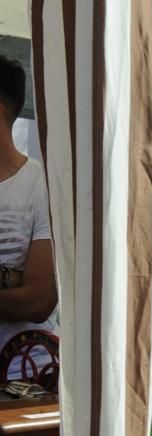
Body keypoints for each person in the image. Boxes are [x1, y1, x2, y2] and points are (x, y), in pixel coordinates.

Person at [0, 55, 58, 368]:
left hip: (25, 374)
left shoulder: (43, 187)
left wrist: (27, 287)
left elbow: (39, 301)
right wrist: (12, 278)